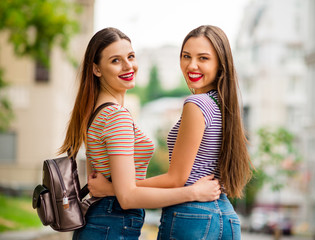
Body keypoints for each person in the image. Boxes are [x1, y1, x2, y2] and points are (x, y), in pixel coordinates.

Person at [89, 25, 254, 239]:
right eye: (186, 56)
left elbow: (176, 179)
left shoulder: (197, 104)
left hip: (192, 215)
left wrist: (114, 188)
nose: (191, 65)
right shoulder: (224, 107)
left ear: (220, 64)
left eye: (203, 58)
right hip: (226, 215)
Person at [58, 27, 221, 240]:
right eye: (115, 60)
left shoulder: (98, 111)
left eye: (131, 56)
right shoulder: (116, 116)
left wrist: (111, 189)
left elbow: (101, 180)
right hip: (111, 224)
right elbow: (127, 197)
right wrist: (193, 193)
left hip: (103, 222)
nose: (128, 66)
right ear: (97, 69)